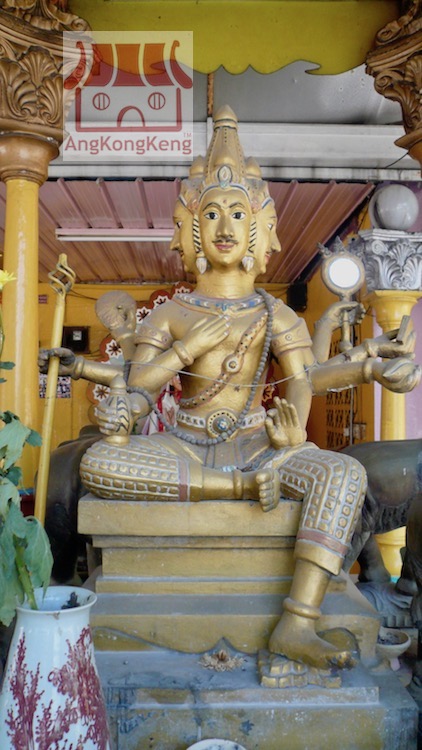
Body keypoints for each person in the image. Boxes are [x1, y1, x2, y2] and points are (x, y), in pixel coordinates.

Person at [39, 105, 420, 670]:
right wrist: (170, 364)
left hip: (259, 444)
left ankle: (298, 622)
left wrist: (365, 371)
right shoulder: (172, 313)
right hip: (185, 445)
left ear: (258, 227)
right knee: (98, 462)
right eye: (211, 214)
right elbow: (139, 390)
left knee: (344, 473)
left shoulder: (275, 313)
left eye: (238, 214)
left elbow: (305, 379)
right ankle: (237, 490)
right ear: (192, 227)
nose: (224, 228)